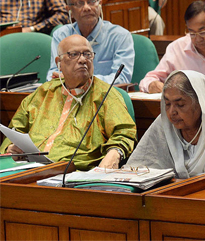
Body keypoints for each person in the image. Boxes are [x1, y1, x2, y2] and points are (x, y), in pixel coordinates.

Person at [0, 35, 137, 170]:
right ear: (59, 63)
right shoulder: (43, 92)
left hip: (74, 173)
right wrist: (11, 148)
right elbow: (15, 129)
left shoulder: (105, 95)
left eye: (87, 54)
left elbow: (124, 132)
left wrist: (114, 154)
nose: (83, 59)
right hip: (28, 169)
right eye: (74, 54)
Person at [47, 0, 135, 84]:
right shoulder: (61, 35)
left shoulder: (120, 36)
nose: (87, 8)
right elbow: (53, 75)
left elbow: (122, 78)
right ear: (69, 10)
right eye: (79, 3)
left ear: (100, 4)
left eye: (91, 1)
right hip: (69, 95)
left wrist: (81, 80)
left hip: (105, 96)